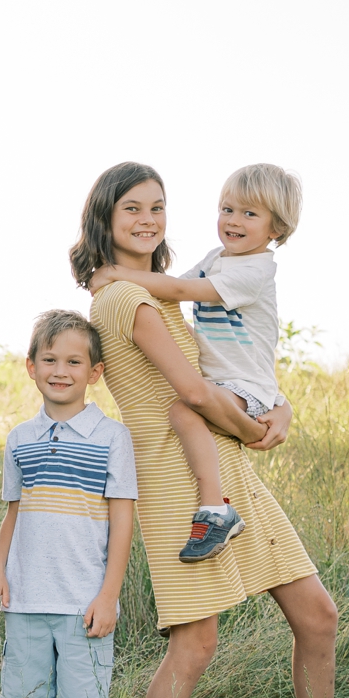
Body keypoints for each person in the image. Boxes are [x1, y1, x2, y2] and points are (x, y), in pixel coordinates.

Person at [74, 162, 340, 698]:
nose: (147, 220)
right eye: (132, 208)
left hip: (220, 463)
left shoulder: (164, 287)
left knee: (318, 615)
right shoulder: (125, 298)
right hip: (175, 474)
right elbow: (191, 391)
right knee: (195, 643)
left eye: (157, 207)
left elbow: (228, 362)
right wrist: (260, 431)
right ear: (105, 218)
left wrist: (278, 409)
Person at [0, 310, 137, 698]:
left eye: (73, 360)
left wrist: (109, 593)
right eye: (49, 359)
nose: (60, 370)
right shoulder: (21, 438)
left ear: (95, 373)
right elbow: (14, 512)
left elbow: (123, 521)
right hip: (26, 598)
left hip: (83, 600)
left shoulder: (112, 437)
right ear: (30, 366)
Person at [97, 163, 302, 562]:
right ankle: (217, 506)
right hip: (227, 381)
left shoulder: (255, 271)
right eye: (227, 209)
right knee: (189, 407)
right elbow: (169, 295)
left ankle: (215, 508)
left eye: (249, 214)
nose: (233, 221)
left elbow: (176, 288)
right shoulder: (219, 257)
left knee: (184, 409)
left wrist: (115, 274)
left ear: (275, 228)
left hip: (244, 385)